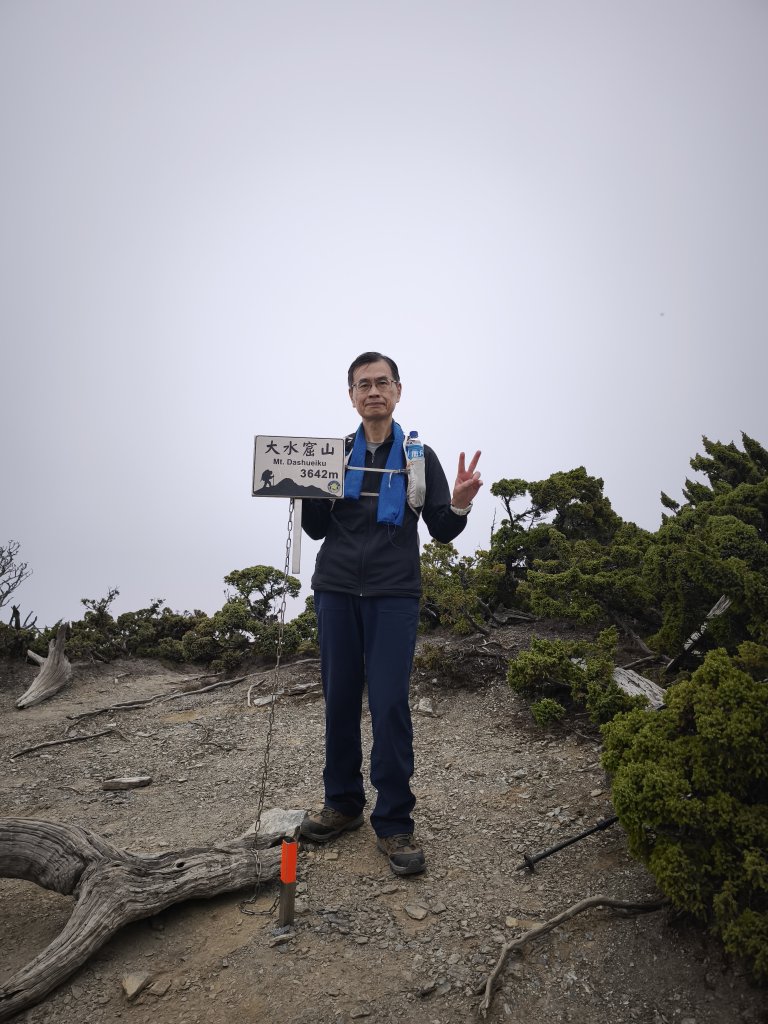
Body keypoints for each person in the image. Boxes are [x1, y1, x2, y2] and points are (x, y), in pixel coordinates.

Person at [299, 352, 482, 876]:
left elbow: (443, 528)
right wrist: (302, 489)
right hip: (335, 590)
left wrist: (463, 502)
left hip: (394, 594)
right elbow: (315, 529)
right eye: (363, 385)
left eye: (382, 383)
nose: (373, 391)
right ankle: (342, 805)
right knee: (338, 700)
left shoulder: (418, 456)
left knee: (389, 704)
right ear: (351, 396)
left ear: (398, 391)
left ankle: (394, 820)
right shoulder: (330, 456)